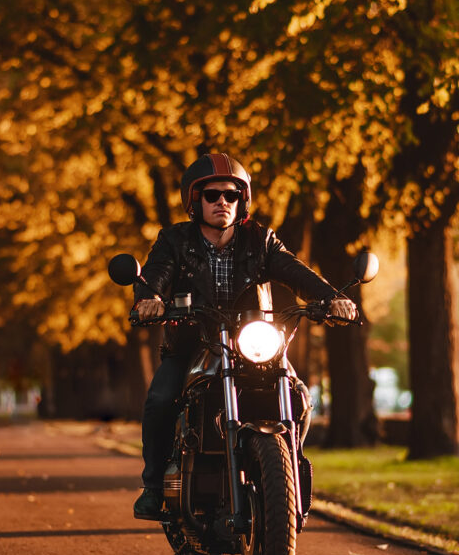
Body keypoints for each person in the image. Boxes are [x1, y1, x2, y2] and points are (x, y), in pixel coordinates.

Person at [131, 152, 357, 520]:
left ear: (242, 200)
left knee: (298, 394)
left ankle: (285, 474)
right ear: (195, 201)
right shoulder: (174, 240)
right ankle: (154, 487)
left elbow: (295, 272)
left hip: (252, 343)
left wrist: (332, 298)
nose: (223, 201)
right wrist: (149, 299)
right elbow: (155, 274)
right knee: (159, 399)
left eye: (232, 195)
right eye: (212, 195)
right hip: (192, 343)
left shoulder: (260, 240)